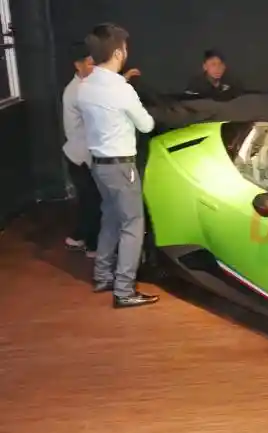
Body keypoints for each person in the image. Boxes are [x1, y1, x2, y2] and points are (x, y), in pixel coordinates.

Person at [77, 23, 159, 308]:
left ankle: (102, 276)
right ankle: (124, 290)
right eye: (124, 48)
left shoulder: (84, 87)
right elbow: (146, 125)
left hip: (99, 166)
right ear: (117, 53)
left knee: (111, 219)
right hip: (122, 167)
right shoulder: (121, 89)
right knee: (133, 224)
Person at [62, 41, 101, 258]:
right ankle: (93, 247)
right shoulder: (77, 92)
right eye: (90, 63)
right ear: (78, 65)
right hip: (81, 156)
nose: (94, 67)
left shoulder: (84, 87)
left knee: (88, 200)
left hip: (79, 154)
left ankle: (78, 237)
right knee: (93, 201)